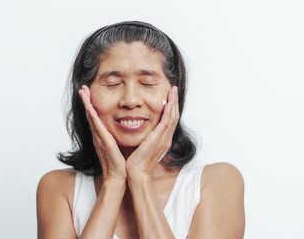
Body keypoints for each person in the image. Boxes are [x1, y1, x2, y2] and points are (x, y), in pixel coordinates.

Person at [36, 21, 245, 239]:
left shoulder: (217, 182)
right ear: (85, 94)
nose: (131, 100)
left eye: (147, 83)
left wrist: (140, 176)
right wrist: (114, 181)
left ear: (175, 93)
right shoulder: (59, 188)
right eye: (113, 83)